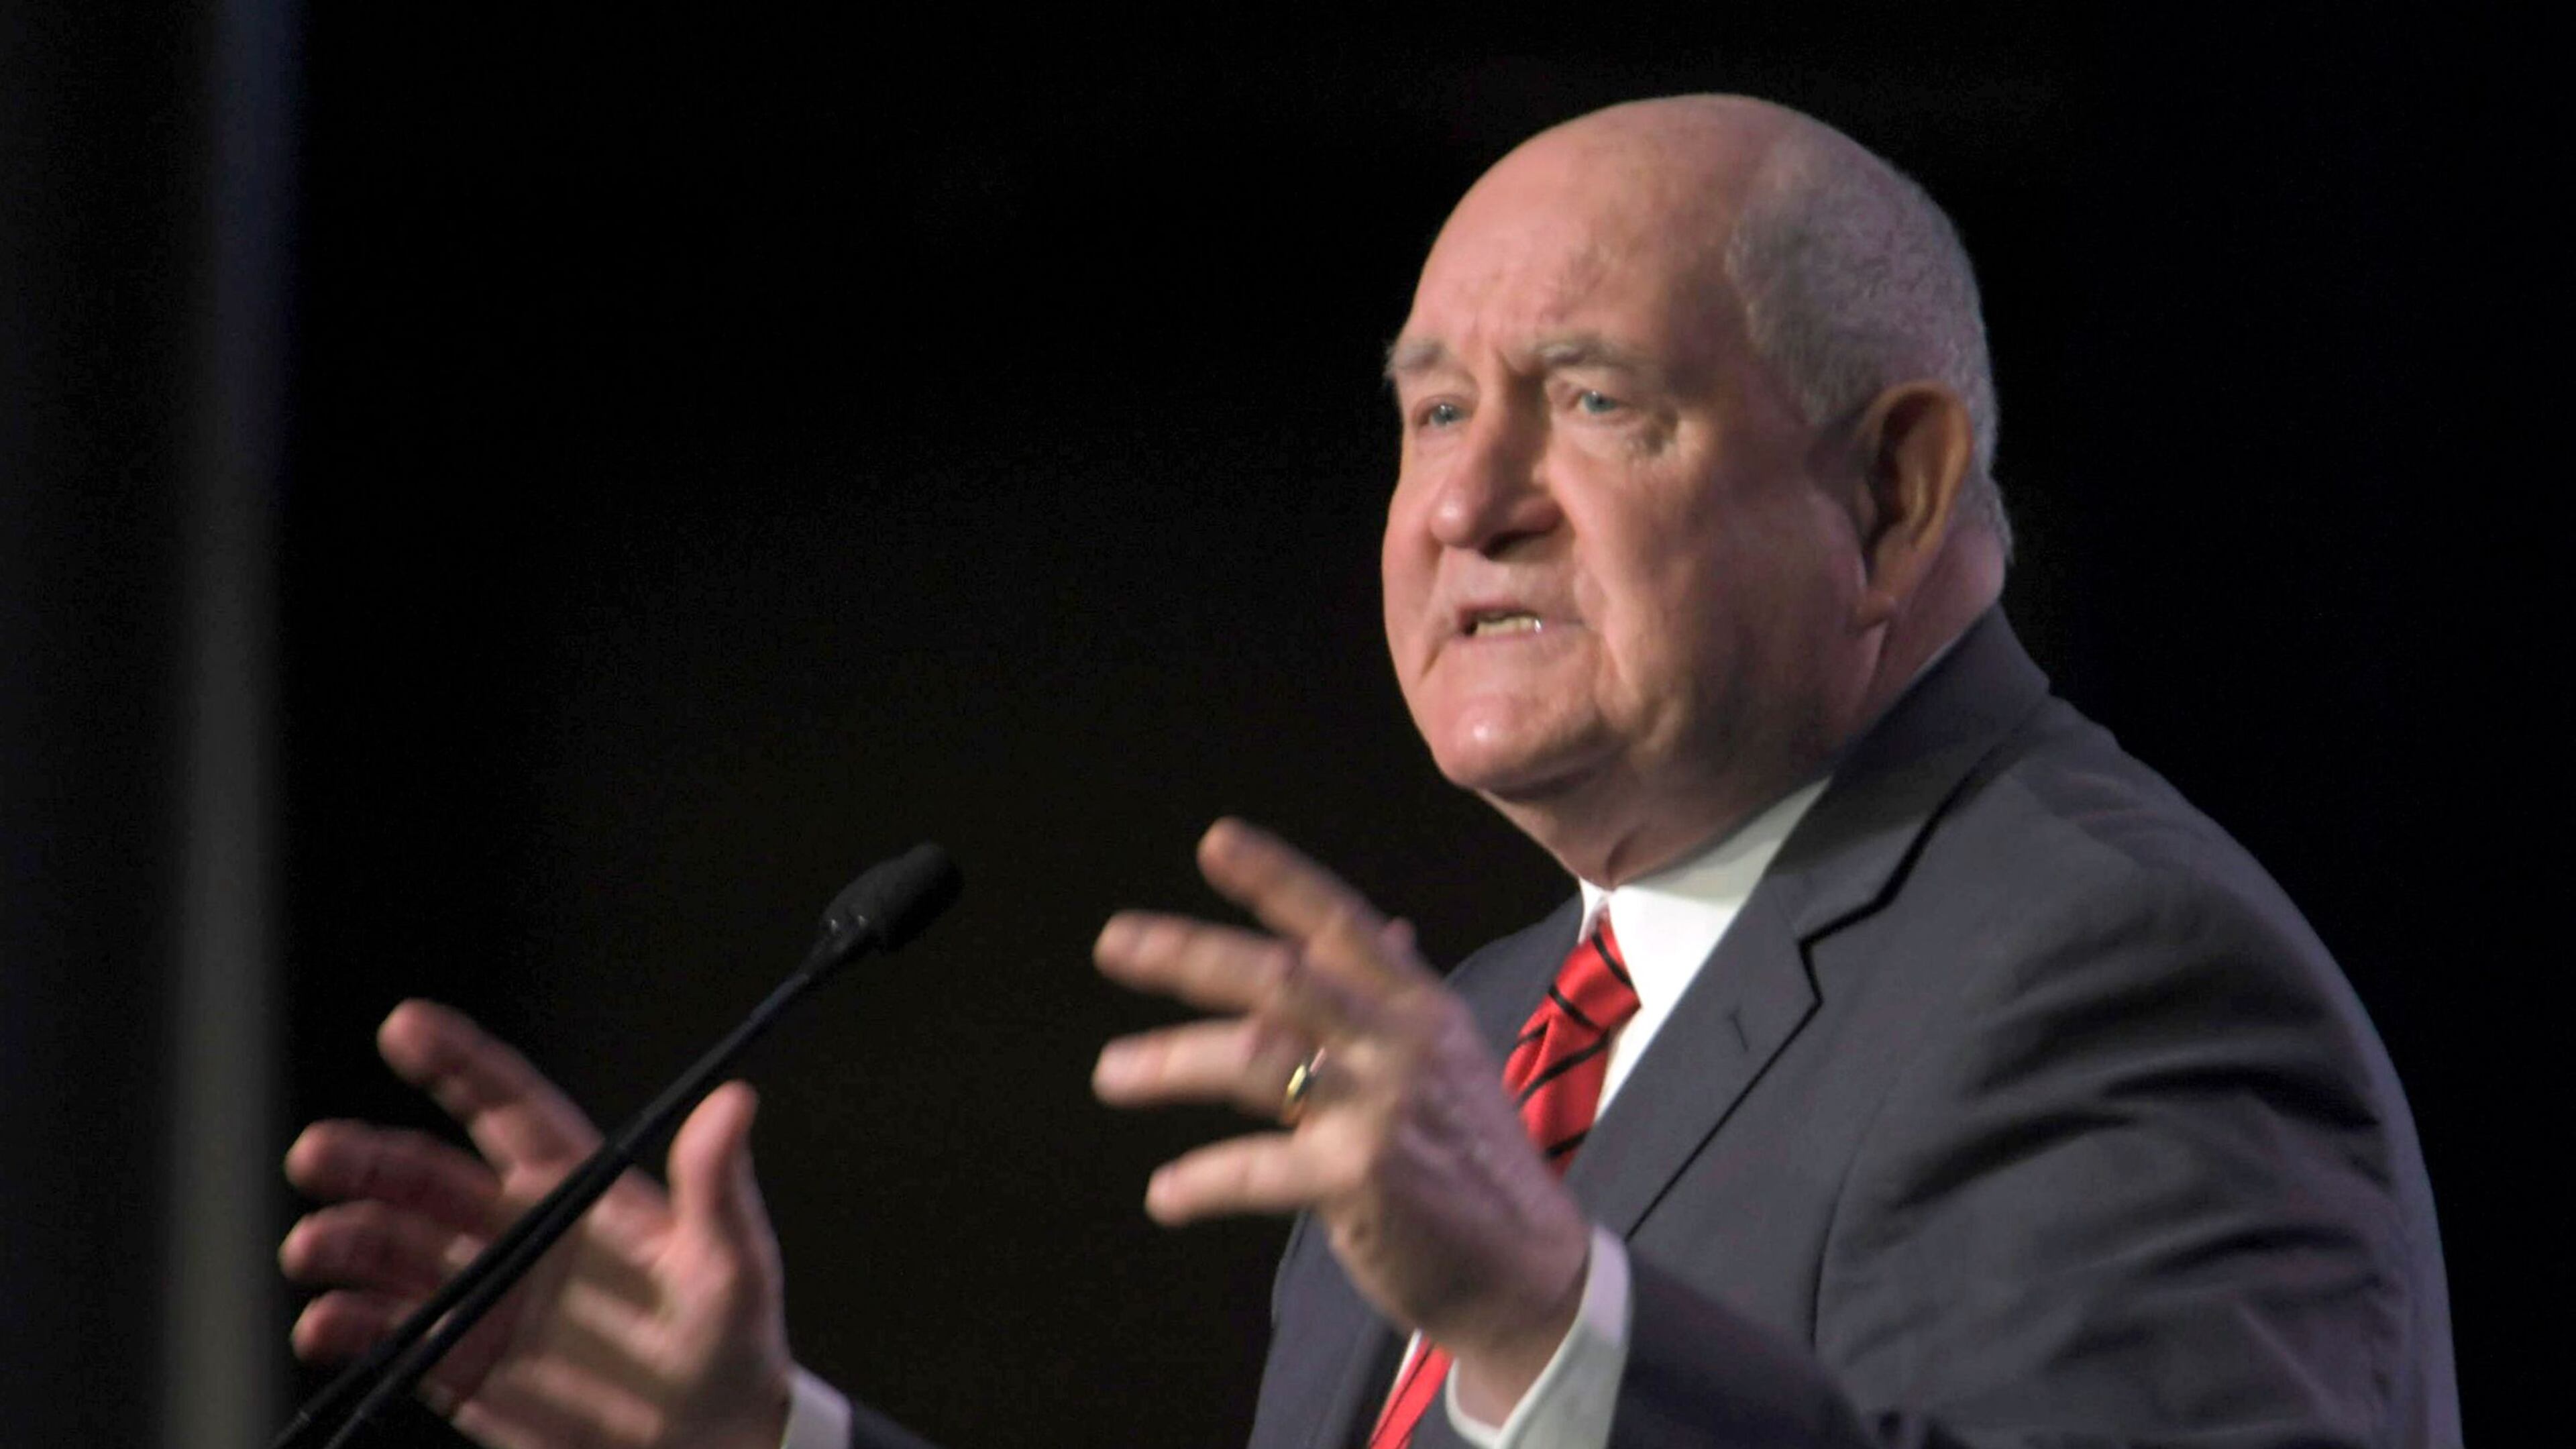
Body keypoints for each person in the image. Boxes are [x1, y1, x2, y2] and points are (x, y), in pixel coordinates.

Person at [279, 95, 2459, 1448]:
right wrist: (760, 1446)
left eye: (1593, 400)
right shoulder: (1485, 1049)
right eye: (1430, 414)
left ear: (1894, 492)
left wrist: (1542, 1315)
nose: (1467, 503)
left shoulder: (2110, 977)